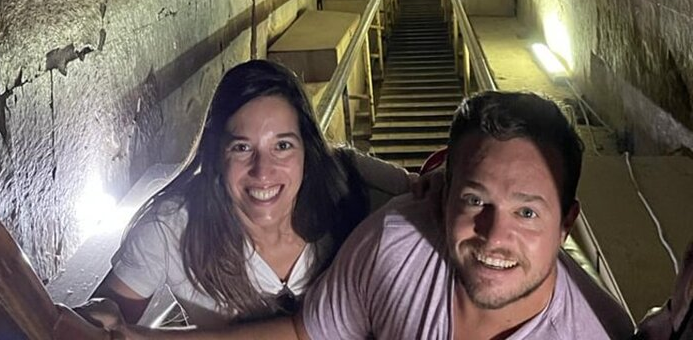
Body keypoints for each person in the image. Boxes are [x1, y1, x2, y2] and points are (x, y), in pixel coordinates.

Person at [75, 91, 636, 339]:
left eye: (528, 212)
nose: (495, 232)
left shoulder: (351, 191)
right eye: (475, 200)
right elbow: (305, 332)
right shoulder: (394, 244)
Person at [81, 59, 413, 329]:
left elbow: (437, 188)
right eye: (242, 147)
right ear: (215, 152)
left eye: (282, 146)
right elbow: (109, 315)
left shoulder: (350, 181)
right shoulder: (172, 227)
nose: (263, 171)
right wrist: (98, 317)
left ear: (306, 149)